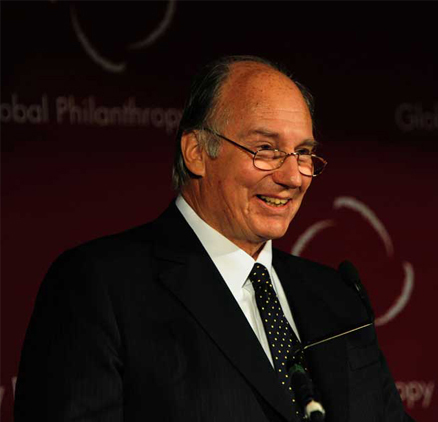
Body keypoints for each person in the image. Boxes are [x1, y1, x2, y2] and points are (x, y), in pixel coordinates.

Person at [14, 55, 413, 421]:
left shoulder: (335, 296)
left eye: (304, 153)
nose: (293, 177)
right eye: (266, 149)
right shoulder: (99, 288)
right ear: (196, 152)